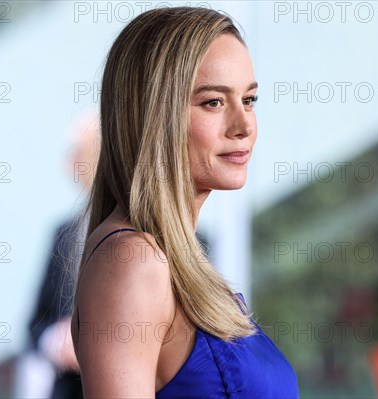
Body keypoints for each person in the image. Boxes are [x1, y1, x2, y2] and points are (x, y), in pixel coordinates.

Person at [70, 6, 299, 398]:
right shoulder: (134, 263)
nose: (244, 126)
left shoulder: (176, 259)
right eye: (213, 102)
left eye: (249, 99)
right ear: (153, 113)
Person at [27, 111, 100, 398]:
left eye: (76, 151)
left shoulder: (171, 236)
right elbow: (34, 325)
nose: (66, 163)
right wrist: (55, 341)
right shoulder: (64, 234)